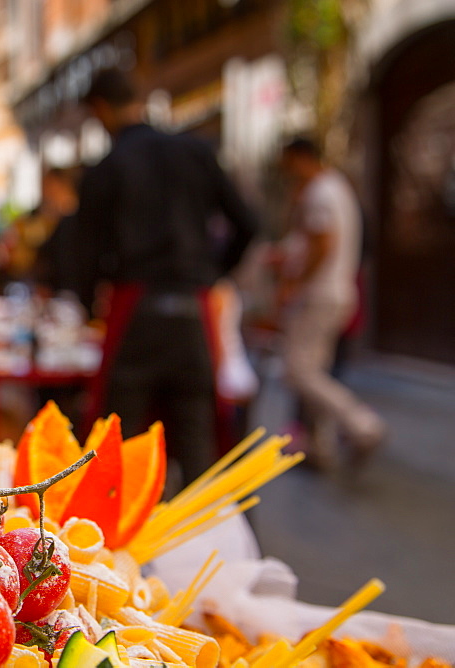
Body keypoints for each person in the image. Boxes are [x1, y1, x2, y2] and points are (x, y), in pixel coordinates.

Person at [76, 67, 258, 488]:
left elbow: (83, 254)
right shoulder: (195, 152)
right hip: (192, 311)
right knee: (197, 440)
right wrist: (210, 273)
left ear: (100, 109)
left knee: (123, 445)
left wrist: (90, 306)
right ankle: (209, 545)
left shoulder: (107, 166)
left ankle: (125, 548)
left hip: (134, 310)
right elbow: (247, 224)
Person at [276, 137, 385, 470]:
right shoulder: (336, 187)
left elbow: (324, 243)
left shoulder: (321, 191)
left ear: (298, 158)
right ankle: (318, 444)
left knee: (300, 371)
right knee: (314, 370)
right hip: (334, 293)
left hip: (319, 295)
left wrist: (295, 284)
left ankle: (362, 424)